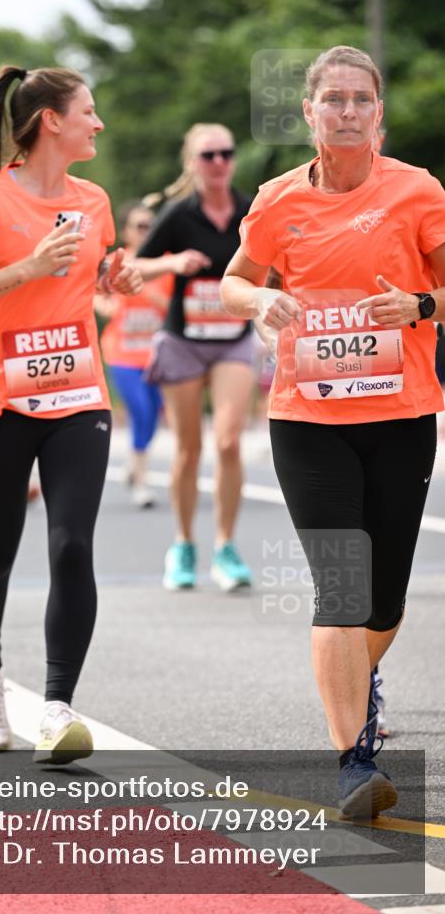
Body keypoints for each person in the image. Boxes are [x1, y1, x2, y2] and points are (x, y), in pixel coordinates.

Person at [221, 45, 445, 818]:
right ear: (309, 113)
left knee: (382, 604)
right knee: (340, 589)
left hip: (401, 415)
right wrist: (256, 304)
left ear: (376, 114)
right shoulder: (279, 200)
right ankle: (353, 761)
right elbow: (233, 278)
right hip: (307, 417)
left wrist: (419, 307)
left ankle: (360, 676)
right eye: (333, 99)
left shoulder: (416, 191)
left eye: (360, 99)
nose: (347, 111)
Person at [0, 65, 141, 763]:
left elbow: (95, 274)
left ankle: (56, 709)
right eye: (88, 111)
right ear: (51, 120)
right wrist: (25, 267)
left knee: (71, 545)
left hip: (77, 395)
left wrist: (116, 277)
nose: (98, 123)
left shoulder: (93, 200)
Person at [135, 123, 255, 591]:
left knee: (227, 442)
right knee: (189, 449)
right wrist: (172, 262)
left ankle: (225, 547)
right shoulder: (178, 215)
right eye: (208, 155)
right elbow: (136, 265)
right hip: (183, 340)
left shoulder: (250, 211)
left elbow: (280, 262)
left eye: (226, 153)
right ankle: (183, 544)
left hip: (232, 338)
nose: (219, 162)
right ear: (192, 164)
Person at [98, 200, 172, 507]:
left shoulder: (166, 262)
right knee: (140, 410)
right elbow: (90, 294)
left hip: (155, 355)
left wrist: (151, 294)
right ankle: (142, 482)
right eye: (141, 226)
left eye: (151, 225)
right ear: (127, 232)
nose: (148, 231)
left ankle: (133, 463)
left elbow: (173, 309)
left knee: (154, 413)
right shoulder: (115, 262)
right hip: (122, 353)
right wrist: (109, 307)